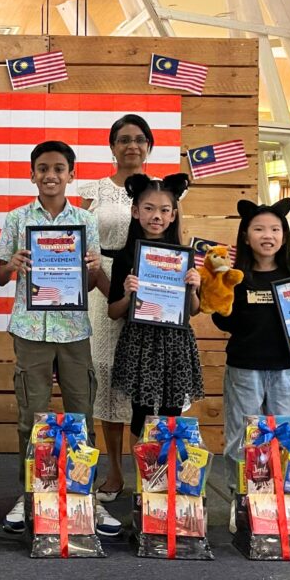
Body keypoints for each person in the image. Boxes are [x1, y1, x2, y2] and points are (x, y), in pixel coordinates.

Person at [0, 140, 118, 537]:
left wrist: (96, 267)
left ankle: (84, 495)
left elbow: (95, 282)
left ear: (71, 174)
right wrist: (10, 265)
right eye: (43, 168)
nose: (50, 175)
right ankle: (30, 492)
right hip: (30, 329)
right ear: (32, 174)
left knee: (81, 414)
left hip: (74, 329)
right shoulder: (16, 219)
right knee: (31, 416)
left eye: (59, 168)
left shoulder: (86, 221)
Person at [212, 198, 290, 532]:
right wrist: (219, 295)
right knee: (241, 438)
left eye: (274, 229)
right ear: (245, 236)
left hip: (286, 369)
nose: (267, 235)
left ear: (284, 235)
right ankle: (240, 499)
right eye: (259, 229)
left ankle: (282, 501)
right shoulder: (236, 277)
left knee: (286, 436)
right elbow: (224, 323)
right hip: (245, 367)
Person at [78, 113, 154, 503]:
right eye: (123, 139)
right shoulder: (94, 190)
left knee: (144, 377)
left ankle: (147, 474)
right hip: (100, 281)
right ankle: (113, 470)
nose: (131, 145)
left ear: (149, 146)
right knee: (105, 374)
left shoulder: (161, 191)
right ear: (112, 146)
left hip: (149, 285)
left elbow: (175, 239)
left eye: (139, 139)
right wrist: (106, 287)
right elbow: (81, 245)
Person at [107, 174, 203, 440]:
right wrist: (128, 295)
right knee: (142, 414)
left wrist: (193, 289)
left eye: (164, 210)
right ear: (135, 211)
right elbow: (113, 312)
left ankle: (168, 476)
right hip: (140, 343)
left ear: (173, 215)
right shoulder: (125, 257)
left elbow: (194, 310)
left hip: (175, 343)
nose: (156, 216)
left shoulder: (184, 255)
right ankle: (144, 476)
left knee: (173, 413)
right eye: (149, 208)